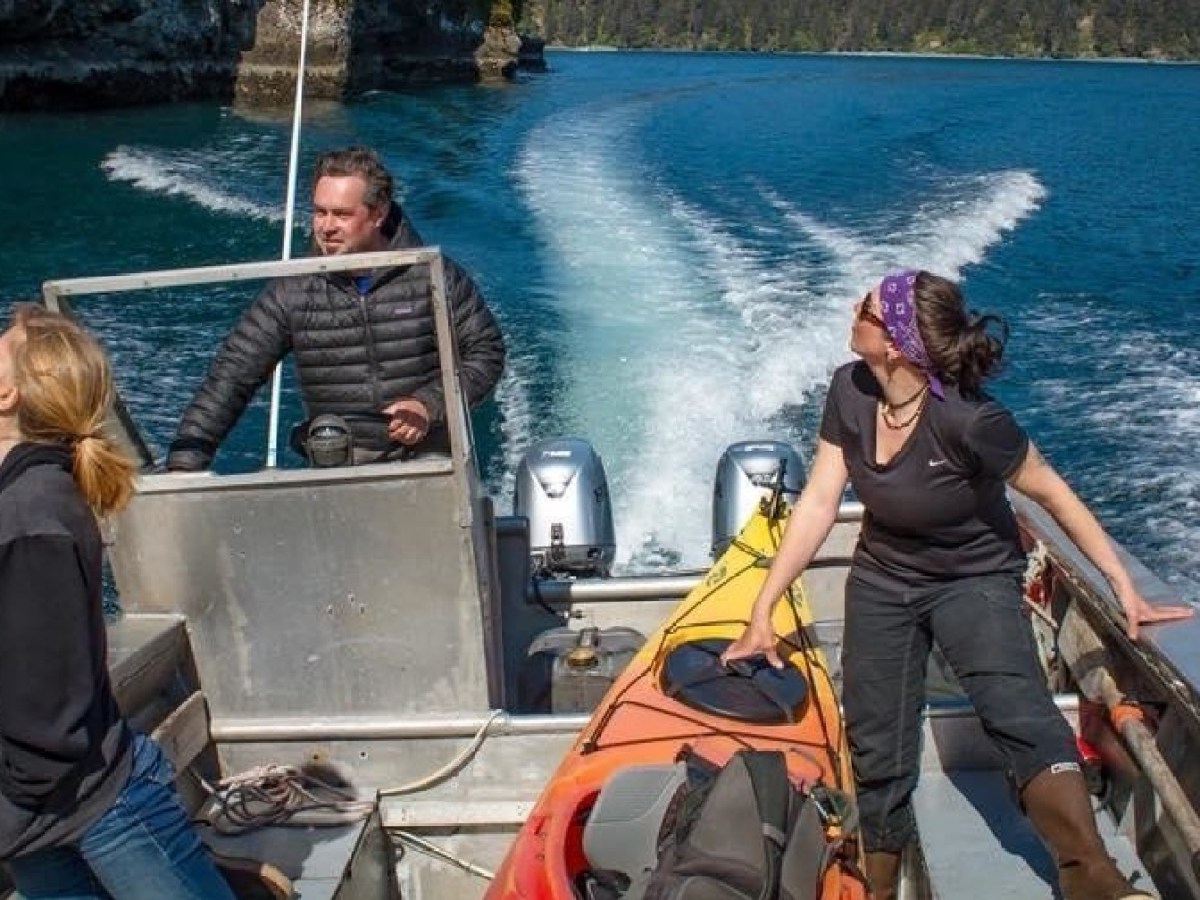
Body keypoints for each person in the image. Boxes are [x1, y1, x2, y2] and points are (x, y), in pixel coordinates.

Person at [721, 270, 1192, 900]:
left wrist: (1120, 586)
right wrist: (763, 607)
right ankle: (878, 882)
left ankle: (1094, 879)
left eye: (864, 308)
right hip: (884, 575)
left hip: (973, 576)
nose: (850, 311)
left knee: (1019, 713)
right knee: (874, 734)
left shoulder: (971, 421)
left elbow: (1051, 490)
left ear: (894, 342)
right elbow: (817, 503)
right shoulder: (849, 389)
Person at [0, 306, 247, 898]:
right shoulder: (24, 500)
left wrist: (15, 798)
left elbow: (47, 713)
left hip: (89, 806)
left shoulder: (31, 516)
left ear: (7, 393)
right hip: (35, 816)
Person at [165, 145, 506, 471]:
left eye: (342, 214)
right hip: (337, 464)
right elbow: (233, 373)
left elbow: (486, 351)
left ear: (379, 214)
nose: (326, 227)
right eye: (319, 212)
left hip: (430, 460)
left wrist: (428, 404)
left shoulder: (433, 275)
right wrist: (184, 464)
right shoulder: (293, 289)